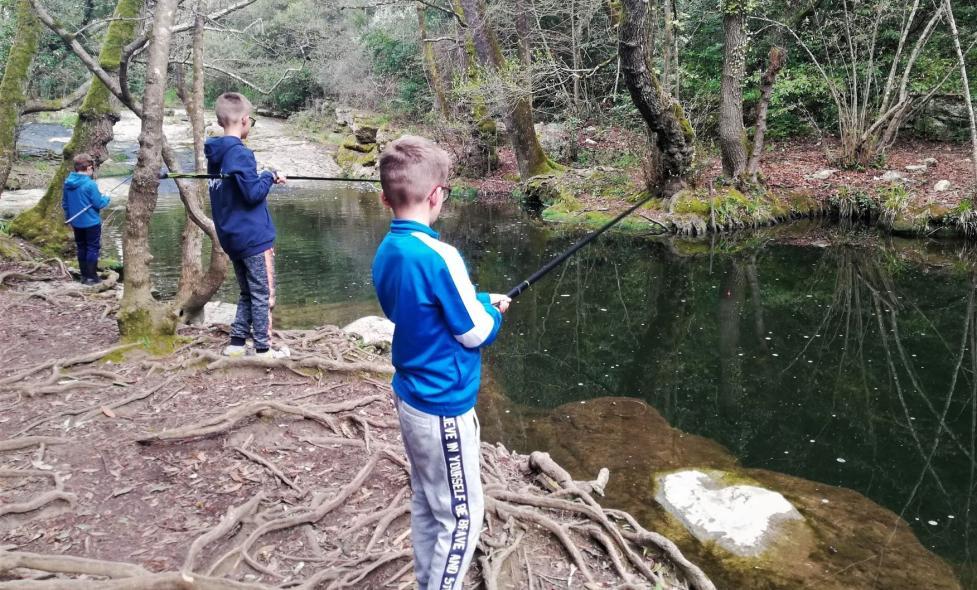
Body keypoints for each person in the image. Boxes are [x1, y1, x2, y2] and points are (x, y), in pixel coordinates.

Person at [371, 135, 511, 590]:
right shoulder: (440, 255)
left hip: (411, 398)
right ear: (436, 196)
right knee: (464, 517)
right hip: (443, 407)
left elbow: (418, 308)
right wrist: (491, 311)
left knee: (429, 501)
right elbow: (475, 331)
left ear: (384, 196)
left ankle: (427, 580)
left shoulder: (389, 251)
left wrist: (477, 299)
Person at [204, 91, 289, 359]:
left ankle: (237, 343)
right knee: (263, 293)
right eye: (250, 119)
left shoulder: (215, 154)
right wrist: (269, 175)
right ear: (244, 120)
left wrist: (260, 178)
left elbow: (240, 188)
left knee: (247, 292)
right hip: (254, 237)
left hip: (232, 237)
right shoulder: (240, 153)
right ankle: (263, 348)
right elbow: (252, 194)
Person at [63, 153, 110, 285]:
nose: (92, 170)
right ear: (89, 167)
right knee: (92, 248)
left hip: (76, 222)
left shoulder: (68, 182)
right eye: (92, 168)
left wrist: (69, 218)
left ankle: (84, 276)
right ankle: (92, 277)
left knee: (81, 247)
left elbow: (65, 204)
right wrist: (107, 197)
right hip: (91, 223)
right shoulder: (90, 185)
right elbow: (99, 204)